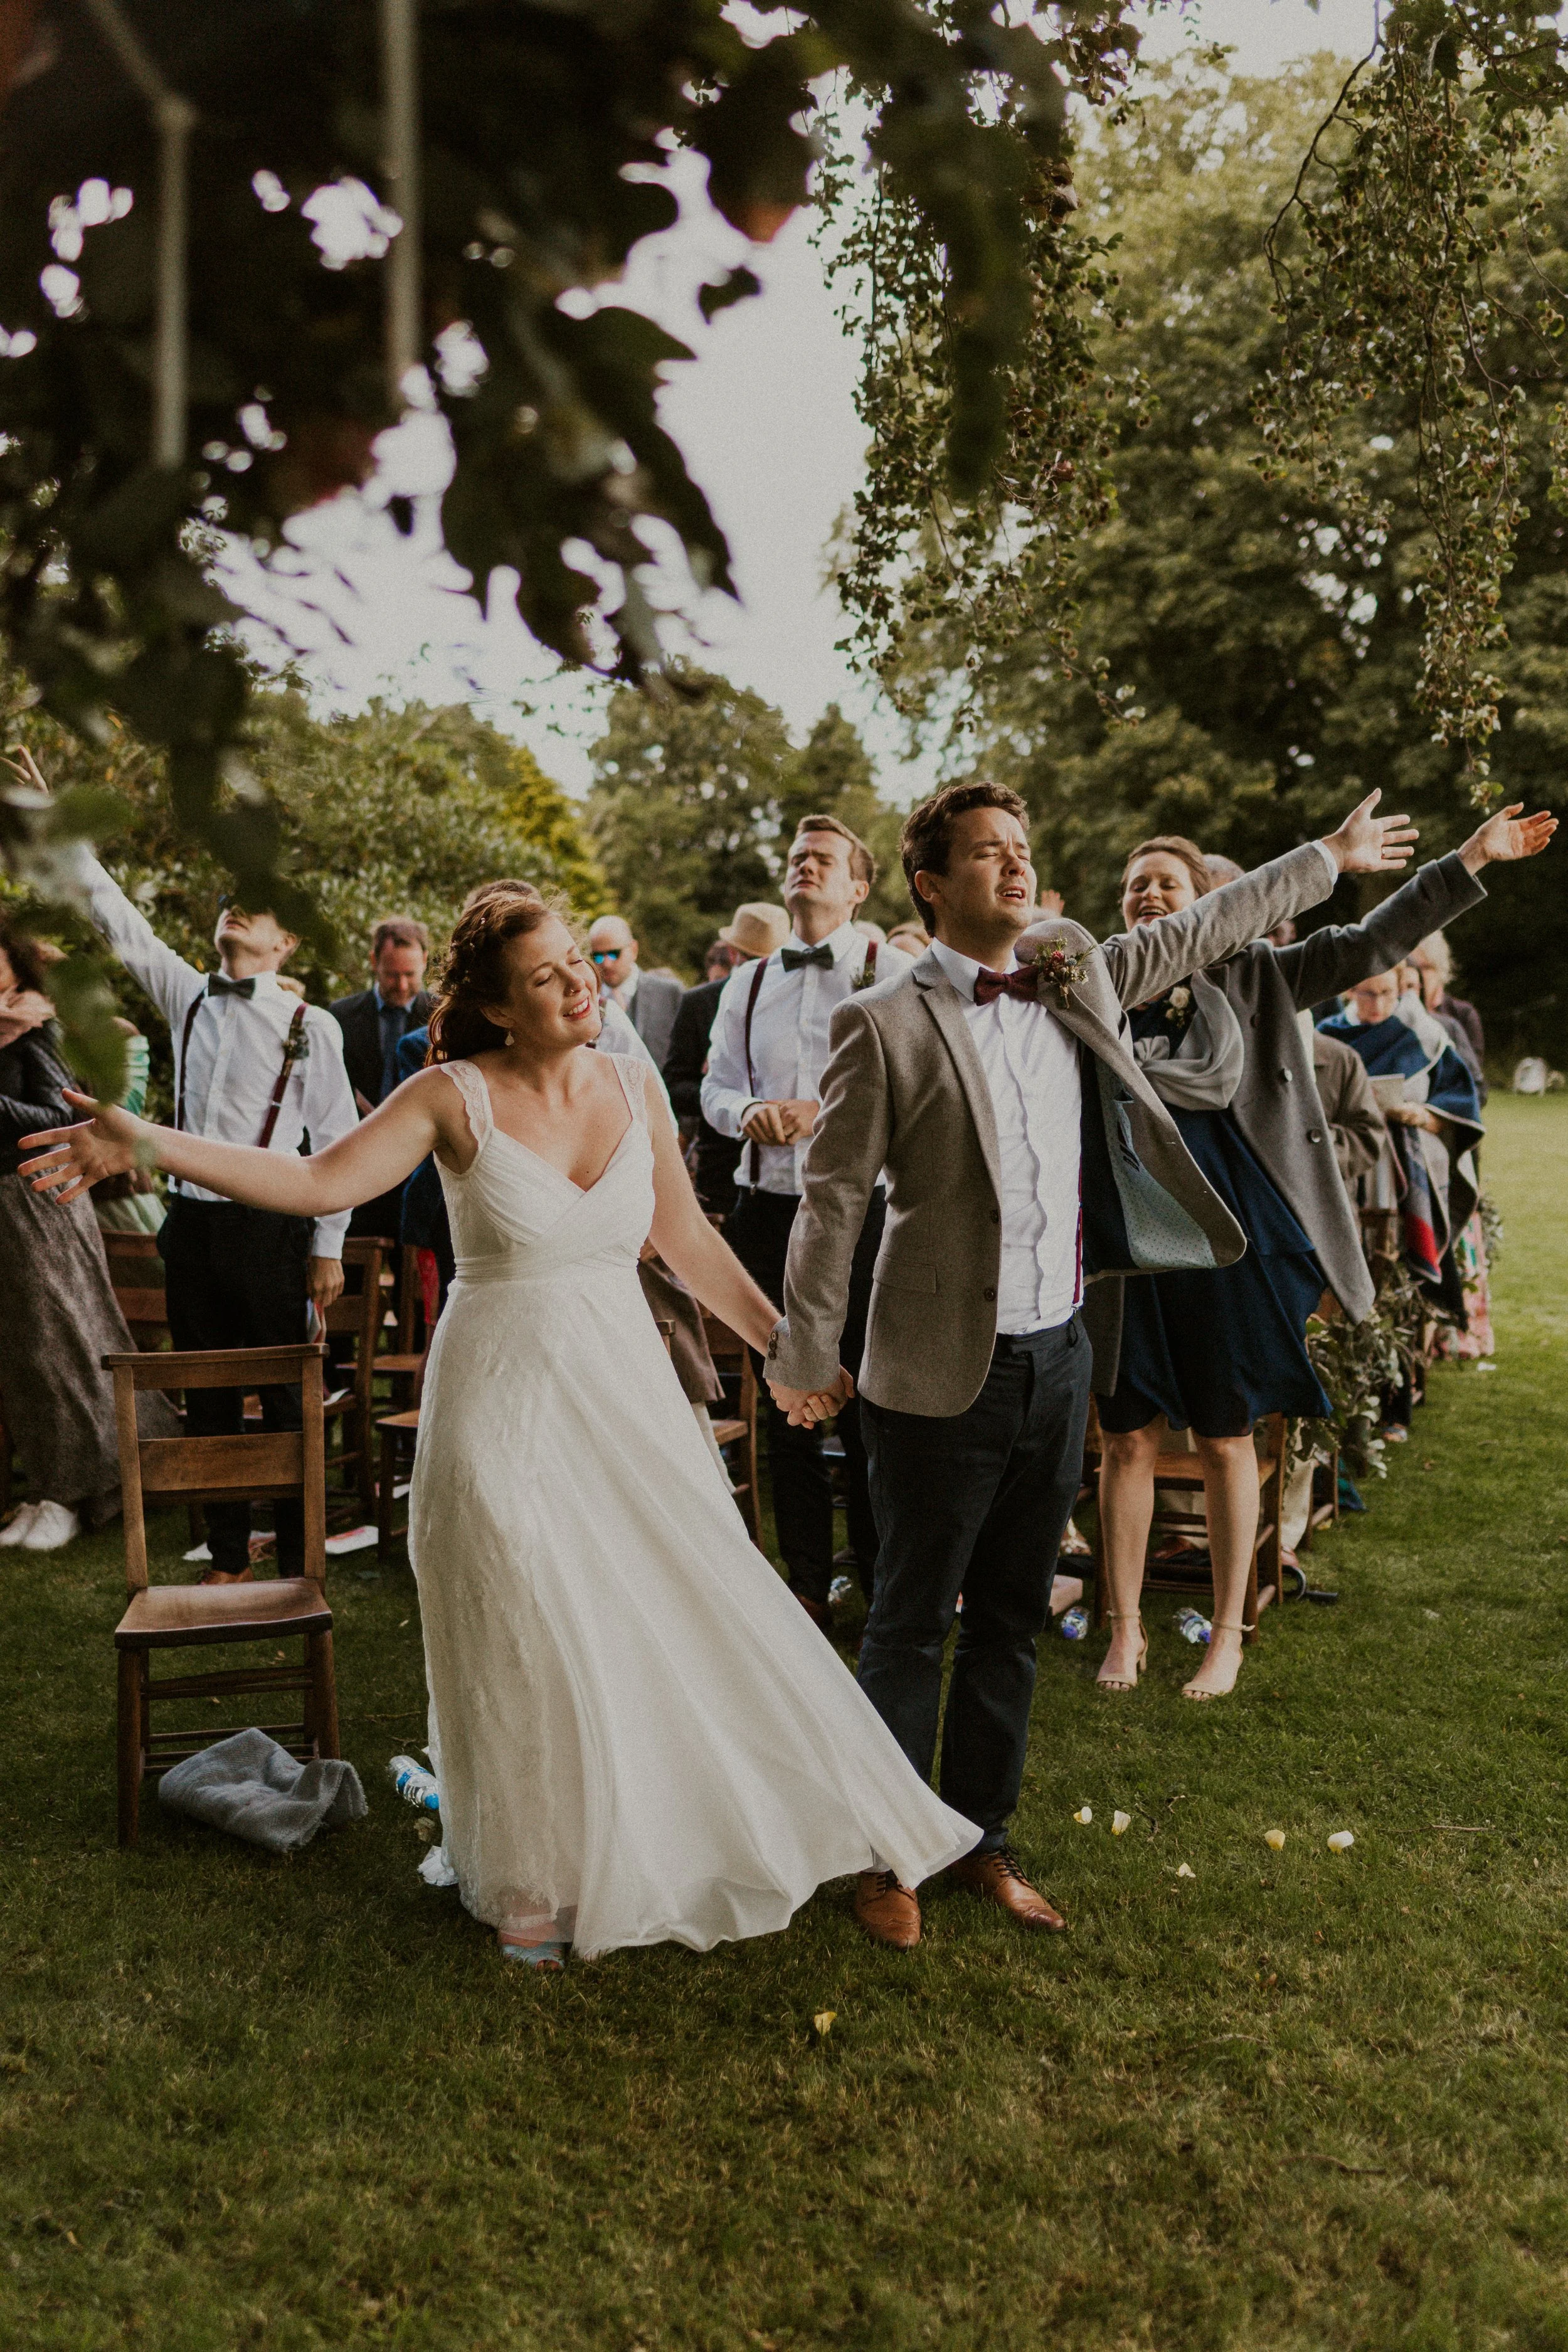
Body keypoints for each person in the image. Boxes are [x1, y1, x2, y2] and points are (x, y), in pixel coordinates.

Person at [20, 889, 978, 1967]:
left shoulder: (631, 1082)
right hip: (500, 1400)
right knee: (521, 1621)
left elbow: (686, 1240)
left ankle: (675, 1821)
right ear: (497, 1006)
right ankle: (529, 1872)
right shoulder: (449, 1096)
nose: (582, 984)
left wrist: (784, 1347)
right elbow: (311, 1179)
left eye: (581, 963)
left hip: (623, 1398)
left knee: (678, 1603)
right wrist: (148, 1139)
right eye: (548, 977)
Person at [765, 780, 1419, 1946]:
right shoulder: (881, 1020)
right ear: (931, 882)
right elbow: (828, 1205)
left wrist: (1328, 855)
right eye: (987, 855)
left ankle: (983, 1840)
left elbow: (1205, 928)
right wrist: (805, 1354)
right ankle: (884, 1859)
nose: (1017, 870)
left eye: (1023, 851)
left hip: (1058, 1351)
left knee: (1014, 1618)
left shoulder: (1075, 968)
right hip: (930, 1367)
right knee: (912, 1620)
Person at [1090, 802, 1549, 1700]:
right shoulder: (1098, 990)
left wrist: (1467, 858)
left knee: (1227, 1438)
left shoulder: (1257, 977)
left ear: (1205, 901)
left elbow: (1374, 942)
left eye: (1169, 882)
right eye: (1136, 884)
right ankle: (1126, 1627)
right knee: (1126, 1439)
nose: (1150, 894)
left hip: (1236, 1248)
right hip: (1133, 1246)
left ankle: (1225, 1634)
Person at [16, 747, 361, 1585]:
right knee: (206, 1389)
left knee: (282, 1391)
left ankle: (300, 1544)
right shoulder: (189, 995)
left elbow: (341, 1136)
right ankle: (231, 1552)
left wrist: (327, 1245)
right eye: (231, 902)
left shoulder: (313, 1027)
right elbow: (115, 916)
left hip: (275, 1225)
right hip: (193, 1224)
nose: (235, 910)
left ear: (284, 942)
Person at [702, 818, 917, 1627]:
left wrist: (827, 1114)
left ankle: (881, 1577)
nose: (804, 867)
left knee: (867, 1400)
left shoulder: (895, 972)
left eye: (822, 860)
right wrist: (750, 1110)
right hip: (767, 1214)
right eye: (796, 858)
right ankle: (803, 1583)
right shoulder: (746, 983)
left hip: (865, 1213)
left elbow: (921, 1091)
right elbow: (714, 1090)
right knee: (784, 1395)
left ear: (859, 887)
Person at [0, 914, 175, 1549]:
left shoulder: (33, 1030)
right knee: (28, 1352)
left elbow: (58, 1114)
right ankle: (49, 1487)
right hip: (11, 1207)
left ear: (16, 967)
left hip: (41, 1202)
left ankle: (78, 1493)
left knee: (65, 1342)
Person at [663, 903, 790, 1220]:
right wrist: (725, 1097)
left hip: (786, 1172)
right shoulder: (698, 1003)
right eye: (750, 959)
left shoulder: (796, 1003)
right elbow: (674, 1086)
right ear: (732, 956)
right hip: (720, 1170)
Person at [330, 917, 434, 1242]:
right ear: (374, 962)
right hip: (358, 1166)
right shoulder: (341, 1016)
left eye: (410, 976)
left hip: (418, 1168)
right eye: (392, 975)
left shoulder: (442, 1016)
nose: (402, 986)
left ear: (425, 962)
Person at [586, 915, 683, 1068]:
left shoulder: (670, 993)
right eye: (597, 956)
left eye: (614, 954)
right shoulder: (586, 1000)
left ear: (634, 950)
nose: (607, 964)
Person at [1407, 931, 1486, 1096]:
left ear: (1441, 971)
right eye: (1413, 967)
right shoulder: (1391, 1014)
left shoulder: (1462, 1016)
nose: (1420, 975)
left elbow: (1472, 1080)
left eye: (1426, 968)